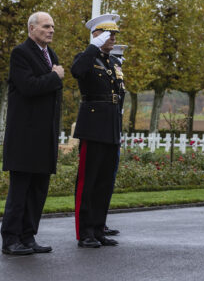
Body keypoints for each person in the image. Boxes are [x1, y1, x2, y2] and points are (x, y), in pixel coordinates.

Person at [0, 12, 64, 255]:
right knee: (20, 191)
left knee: (38, 191)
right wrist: (54, 76)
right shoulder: (21, 53)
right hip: (25, 137)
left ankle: (28, 236)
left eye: (53, 26)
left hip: (44, 137)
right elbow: (28, 87)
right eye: (46, 26)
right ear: (32, 28)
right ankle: (11, 239)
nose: (51, 30)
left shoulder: (50, 55)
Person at [71, 14, 122, 248]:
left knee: (104, 182)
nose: (112, 38)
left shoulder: (113, 63)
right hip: (93, 126)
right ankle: (85, 232)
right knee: (88, 181)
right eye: (108, 34)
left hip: (110, 125)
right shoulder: (86, 58)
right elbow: (77, 71)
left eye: (114, 34)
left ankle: (99, 228)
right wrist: (92, 47)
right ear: (96, 35)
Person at [103, 44, 127, 237]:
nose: (119, 65)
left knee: (108, 181)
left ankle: (101, 221)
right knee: (100, 181)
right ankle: (96, 223)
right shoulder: (106, 71)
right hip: (104, 130)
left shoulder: (117, 78)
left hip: (113, 130)